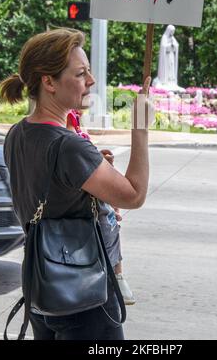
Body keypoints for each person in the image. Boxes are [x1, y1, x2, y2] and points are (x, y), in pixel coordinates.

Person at [0, 28, 154, 340]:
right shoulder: (70, 146)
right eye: (81, 73)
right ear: (48, 82)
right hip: (84, 293)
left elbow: (54, 193)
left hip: (41, 286)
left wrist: (94, 183)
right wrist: (140, 130)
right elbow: (134, 195)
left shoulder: (18, 133)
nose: (91, 81)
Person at [66, 109, 135, 305]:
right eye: (80, 76)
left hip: (94, 191)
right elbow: (74, 160)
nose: (90, 81)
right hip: (87, 195)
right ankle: (114, 276)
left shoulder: (75, 118)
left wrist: (99, 160)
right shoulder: (67, 120)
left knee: (112, 224)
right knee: (108, 224)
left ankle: (117, 274)